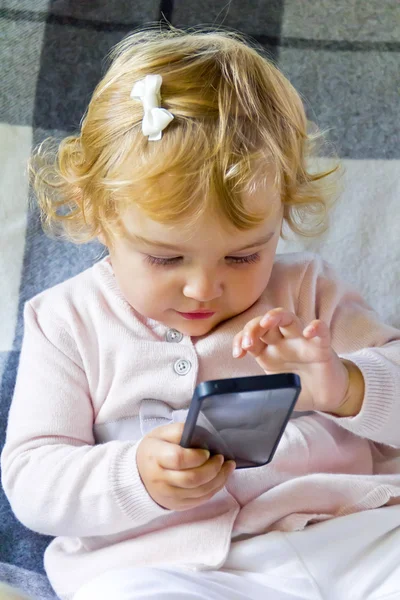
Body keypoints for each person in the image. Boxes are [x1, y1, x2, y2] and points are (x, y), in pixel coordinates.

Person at [1, 27, 400, 600]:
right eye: (165, 257)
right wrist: (137, 475)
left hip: (347, 532)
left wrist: (348, 386)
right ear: (97, 213)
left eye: (244, 254)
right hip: (164, 568)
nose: (203, 288)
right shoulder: (67, 321)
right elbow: (33, 481)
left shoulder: (308, 289)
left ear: (281, 214)